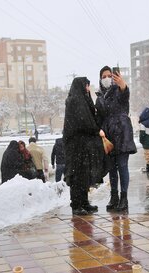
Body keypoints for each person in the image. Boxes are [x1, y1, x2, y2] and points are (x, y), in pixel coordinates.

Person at [96, 66, 136, 213]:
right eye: (103, 76)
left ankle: (124, 198)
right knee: (112, 168)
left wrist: (123, 85)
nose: (106, 78)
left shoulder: (118, 90)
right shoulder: (99, 97)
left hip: (122, 132)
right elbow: (99, 117)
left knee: (122, 165)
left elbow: (125, 94)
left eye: (109, 75)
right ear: (100, 79)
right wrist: (100, 129)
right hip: (108, 136)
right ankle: (114, 196)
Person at [64, 77, 104, 215]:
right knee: (77, 176)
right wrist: (96, 129)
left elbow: (90, 115)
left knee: (84, 175)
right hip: (75, 146)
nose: (88, 88)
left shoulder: (83, 99)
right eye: (86, 86)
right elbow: (84, 120)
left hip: (83, 145)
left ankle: (84, 202)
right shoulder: (75, 101)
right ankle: (76, 205)